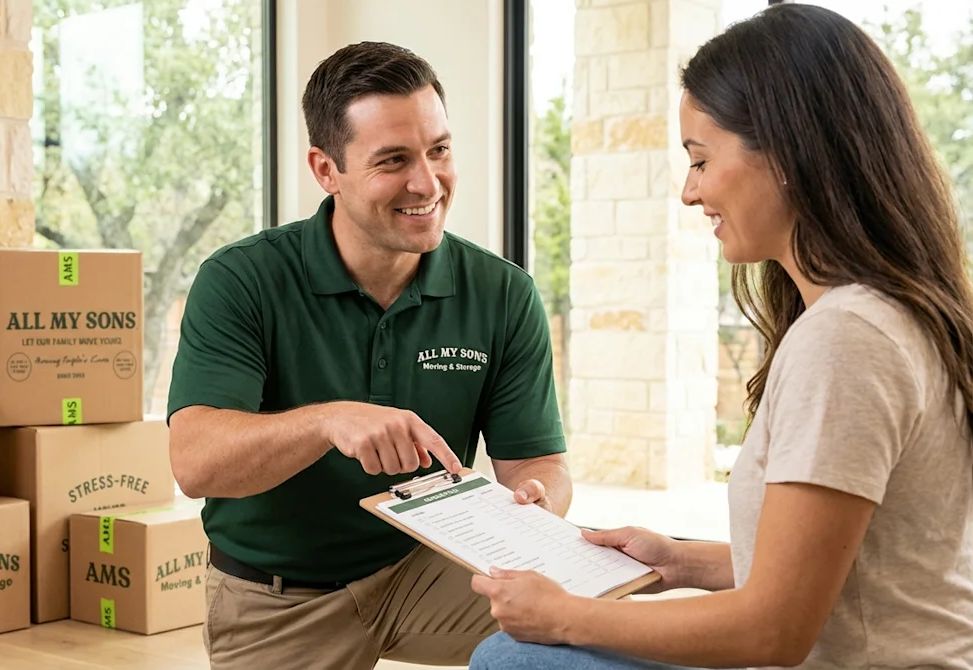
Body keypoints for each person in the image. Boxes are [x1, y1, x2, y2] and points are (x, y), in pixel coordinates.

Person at [468, 4, 973, 669]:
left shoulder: (848, 339)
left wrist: (565, 616)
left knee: (514, 659)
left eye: (701, 160)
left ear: (788, 150)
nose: (688, 191)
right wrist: (677, 560)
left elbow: (774, 631)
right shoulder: (888, 314)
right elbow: (846, 567)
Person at [165, 40, 572, 669]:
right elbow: (195, 463)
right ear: (326, 170)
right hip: (280, 599)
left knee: (593, 628)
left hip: (429, 570)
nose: (426, 182)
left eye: (439, 150)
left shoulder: (502, 292)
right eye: (393, 160)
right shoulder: (241, 280)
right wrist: (330, 421)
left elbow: (536, 462)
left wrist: (537, 504)